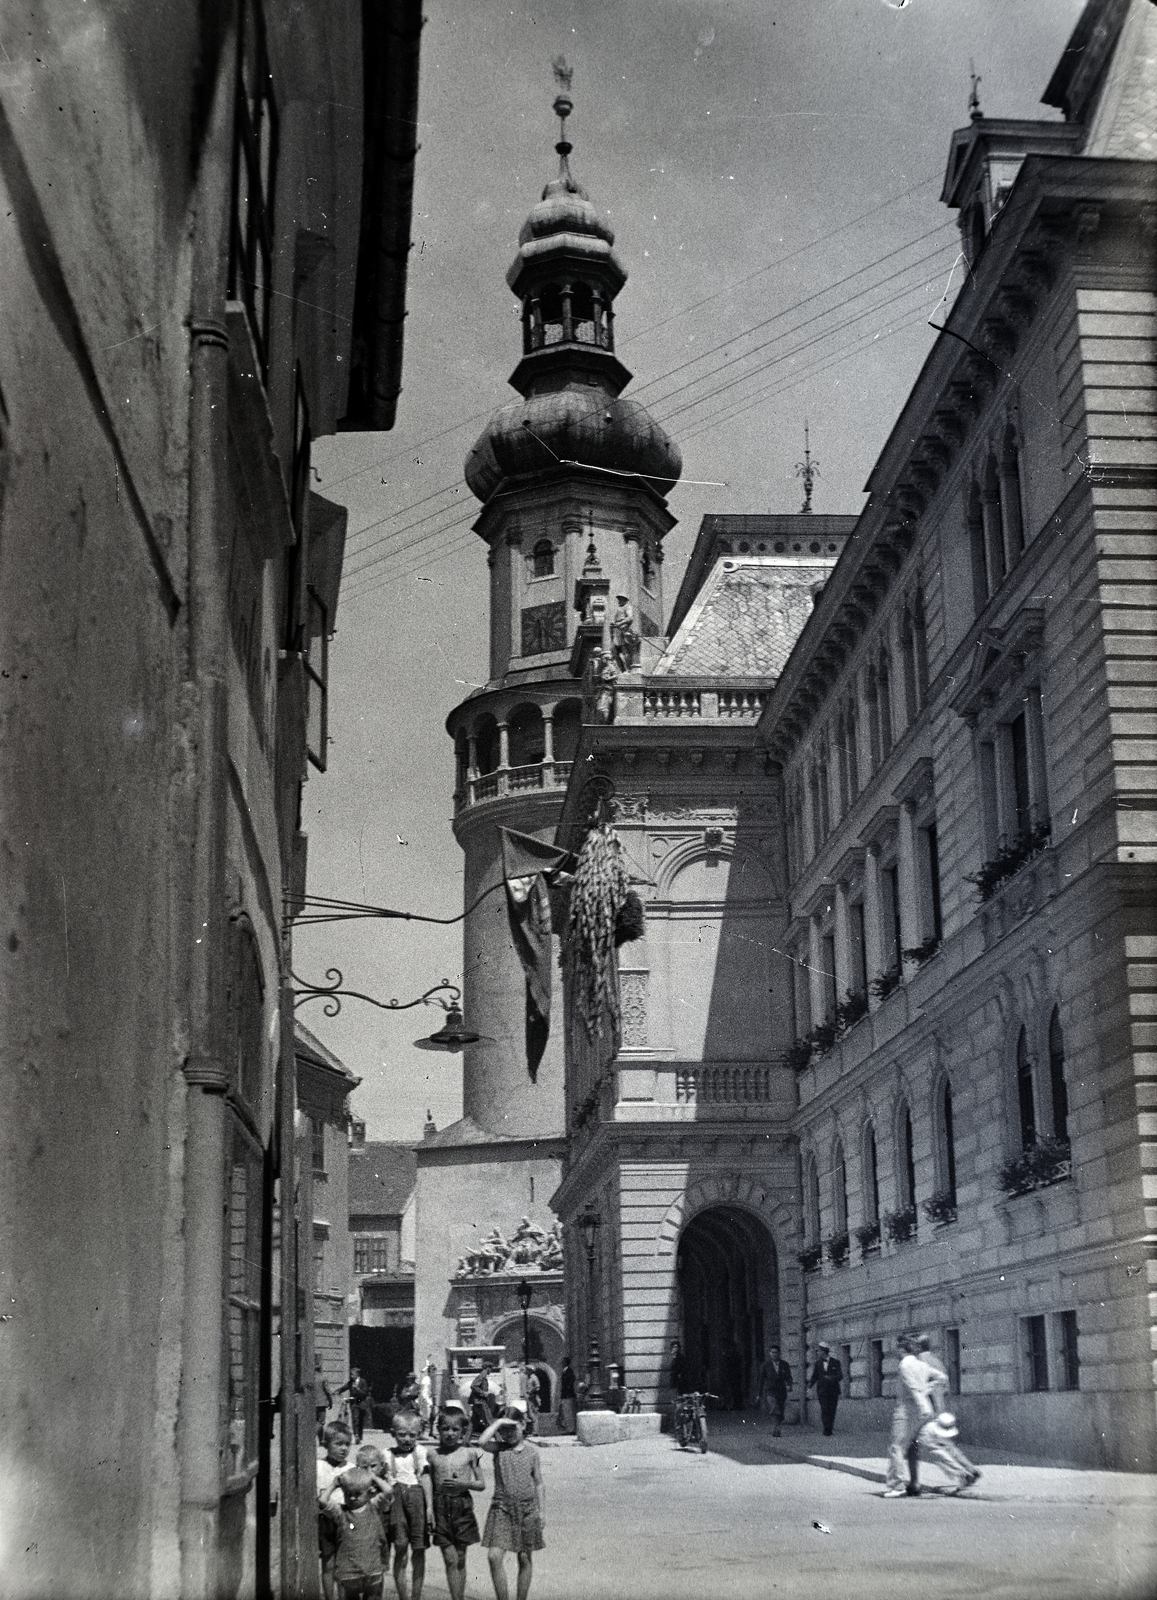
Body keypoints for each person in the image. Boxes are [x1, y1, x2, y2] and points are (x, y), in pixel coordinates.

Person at [884, 1332, 972, 1497]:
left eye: (897, 1347)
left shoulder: (904, 1364)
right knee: (930, 1445)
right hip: (925, 1412)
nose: (896, 1350)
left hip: (907, 1411)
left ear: (902, 1348)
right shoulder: (920, 1365)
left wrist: (921, 1397)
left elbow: (913, 1387)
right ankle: (961, 1474)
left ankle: (896, 1485)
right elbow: (942, 1377)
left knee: (897, 1446)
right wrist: (928, 1389)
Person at [478, 1405, 544, 1600]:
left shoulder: (532, 1453)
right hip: (502, 1509)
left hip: (527, 1509)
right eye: (503, 1430)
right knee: (494, 1556)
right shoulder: (499, 1449)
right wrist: (498, 1422)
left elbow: (539, 1484)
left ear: (523, 1425)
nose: (507, 1434)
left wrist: (542, 1512)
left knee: (524, 1557)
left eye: (512, 1428)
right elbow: (481, 1442)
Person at [904, 1334, 981, 1497]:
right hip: (939, 1409)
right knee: (939, 1444)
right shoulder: (936, 1361)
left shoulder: (919, 1362)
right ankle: (971, 1470)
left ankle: (961, 1474)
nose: (909, 1348)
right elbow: (945, 1386)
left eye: (912, 1344)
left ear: (918, 1346)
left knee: (923, 1446)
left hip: (926, 1412)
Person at [428, 1404, 484, 1600]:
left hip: (462, 1506)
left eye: (455, 1429)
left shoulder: (470, 1454)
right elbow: (428, 1484)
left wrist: (463, 1483)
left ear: (463, 1431)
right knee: (450, 1559)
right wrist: (429, 1510)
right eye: (445, 1429)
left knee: (460, 1557)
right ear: (438, 1430)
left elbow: (481, 1484)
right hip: (440, 1506)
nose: (450, 1434)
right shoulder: (432, 1455)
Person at [384, 1410, 433, 1600]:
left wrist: (429, 1507)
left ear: (419, 1434)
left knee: (419, 1549)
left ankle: (416, 1596)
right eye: (402, 1434)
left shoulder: (420, 1452)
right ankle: (403, 1595)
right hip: (397, 1503)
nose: (407, 1439)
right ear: (393, 1433)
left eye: (412, 1435)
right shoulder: (387, 1454)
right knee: (401, 1547)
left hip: (417, 1499)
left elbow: (426, 1479)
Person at [322, 1467, 391, 1600]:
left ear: (369, 1492)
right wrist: (334, 1484)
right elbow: (323, 1501)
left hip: (372, 1570)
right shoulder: (341, 1512)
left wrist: (374, 1478)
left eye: (358, 1494)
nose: (352, 1498)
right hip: (349, 1572)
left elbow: (388, 1492)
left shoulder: (374, 1507)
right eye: (348, 1494)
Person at [318, 1422, 355, 1600]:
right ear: (325, 1444)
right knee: (328, 1562)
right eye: (338, 1444)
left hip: (346, 1518)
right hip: (325, 1519)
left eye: (347, 1444)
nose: (343, 1449)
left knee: (344, 1564)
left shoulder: (351, 1468)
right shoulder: (318, 1466)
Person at [757, 1344, 793, 1437]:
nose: (774, 1354)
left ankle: (776, 1428)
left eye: (776, 1353)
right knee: (774, 1407)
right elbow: (761, 1380)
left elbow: (788, 1377)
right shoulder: (765, 1365)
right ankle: (776, 1429)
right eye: (772, 1352)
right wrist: (759, 1393)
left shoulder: (785, 1364)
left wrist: (789, 1385)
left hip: (781, 1391)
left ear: (779, 1354)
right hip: (770, 1390)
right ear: (769, 1353)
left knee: (780, 1411)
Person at [807, 1342, 843, 1436]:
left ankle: (830, 1427)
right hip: (822, 1390)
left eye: (818, 1351)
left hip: (833, 1390)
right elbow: (815, 1376)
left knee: (832, 1409)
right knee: (824, 1409)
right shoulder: (818, 1363)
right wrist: (810, 1384)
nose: (818, 1353)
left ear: (824, 1351)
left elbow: (840, 1376)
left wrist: (831, 1378)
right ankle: (826, 1428)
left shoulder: (836, 1362)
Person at [339, 1368, 375, 1444]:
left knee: (361, 1421)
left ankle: (360, 1435)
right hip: (354, 1403)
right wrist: (337, 1391)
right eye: (350, 1374)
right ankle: (356, 1436)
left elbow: (365, 1393)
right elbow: (345, 1387)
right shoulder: (351, 1382)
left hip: (361, 1403)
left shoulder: (363, 1381)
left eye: (352, 1374)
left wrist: (357, 1389)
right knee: (355, 1419)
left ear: (357, 1374)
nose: (351, 1376)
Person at [470, 1365, 496, 1437]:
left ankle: (466, 1441)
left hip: (478, 1402)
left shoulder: (483, 1377)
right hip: (481, 1402)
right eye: (491, 1369)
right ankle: (499, 1441)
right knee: (490, 1421)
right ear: (487, 1368)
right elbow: (473, 1386)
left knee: (473, 1423)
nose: (491, 1371)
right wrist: (483, 1393)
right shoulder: (481, 1376)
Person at [316, 1355, 335, 1443]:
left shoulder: (309, 1378)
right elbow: (328, 1391)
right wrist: (331, 1402)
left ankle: (321, 1440)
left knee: (315, 1421)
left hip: (311, 1403)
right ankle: (312, 1435)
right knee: (321, 1422)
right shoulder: (323, 1377)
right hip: (321, 1403)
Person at [558, 1357, 576, 1434]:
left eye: (562, 1362)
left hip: (568, 1395)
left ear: (565, 1363)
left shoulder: (569, 1371)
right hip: (565, 1395)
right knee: (565, 1413)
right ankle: (568, 1429)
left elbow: (571, 1381)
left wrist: (568, 1390)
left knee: (569, 1413)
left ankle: (571, 1429)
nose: (561, 1364)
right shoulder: (564, 1371)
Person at [523, 1368, 540, 1436]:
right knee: (530, 1414)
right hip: (529, 1398)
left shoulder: (534, 1378)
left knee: (534, 1414)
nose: (526, 1371)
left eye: (527, 1370)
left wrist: (531, 1392)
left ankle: (535, 1431)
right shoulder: (529, 1378)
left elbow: (537, 1387)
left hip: (533, 1398)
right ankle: (531, 1431)